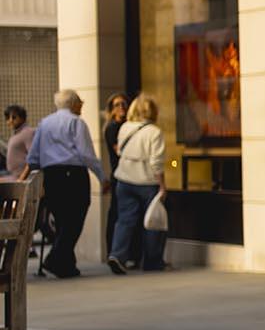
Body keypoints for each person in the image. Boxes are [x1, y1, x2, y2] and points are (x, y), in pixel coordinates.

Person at [25, 89, 109, 279]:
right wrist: (102, 177)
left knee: (62, 220)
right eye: (80, 102)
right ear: (73, 104)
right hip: (74, 175)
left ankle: (67, 266)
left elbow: (33, 156)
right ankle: (55, 259)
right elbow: (86, 154)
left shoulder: (44, 123)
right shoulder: (76, 123)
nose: (82, 106)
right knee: (75, 218)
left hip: (52, 175)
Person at [108, 93, 167, 274]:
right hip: (146, 182)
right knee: (152, 222)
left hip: (124, 180)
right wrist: (162, 186)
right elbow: (156, 162)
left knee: (125, 219)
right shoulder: (154, 132)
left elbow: (120, 152)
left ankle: (117, 254)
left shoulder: (125, 127)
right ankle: (152, 261)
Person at [100, 92, 128, 253]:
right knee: (116, 213)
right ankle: (112, 250)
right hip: (118, 175)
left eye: (124, 104)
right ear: (112, 109)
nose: (121, 107)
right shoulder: (111, 128)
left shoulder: (128, 125)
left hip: (128, 175)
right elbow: (120, 151)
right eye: (117, 105)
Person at [4, 104, 31, 181]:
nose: (10, 120)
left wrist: (21, 178)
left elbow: (33, 158)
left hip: (20, 177)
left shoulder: (28, 132)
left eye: (14, 117)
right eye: (7, 118)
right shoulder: (16, 134)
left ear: (22, 118)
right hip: (12, 175)